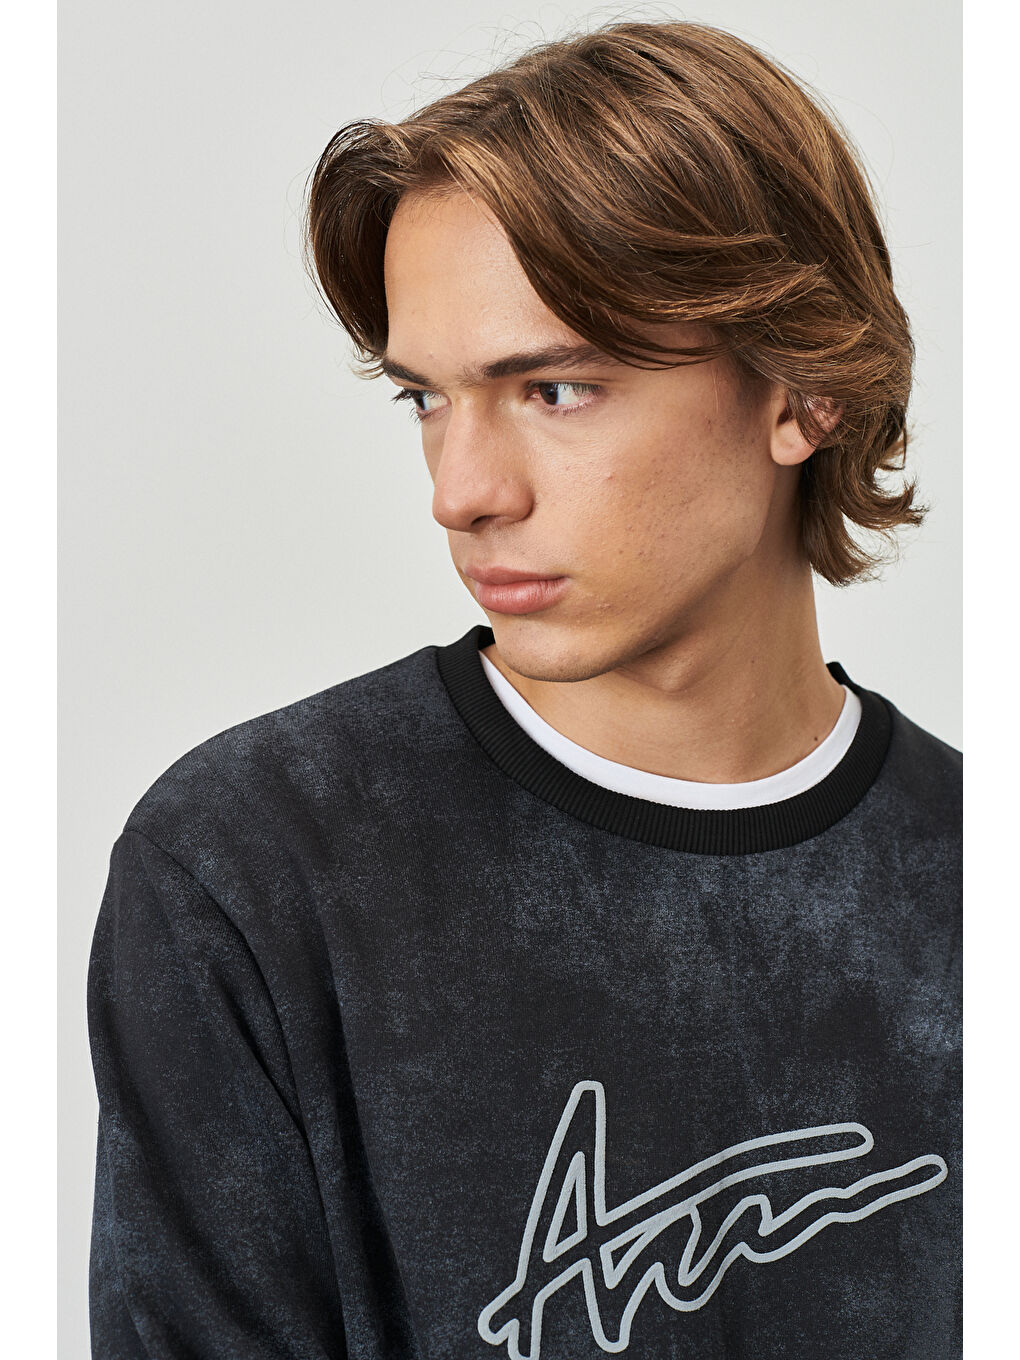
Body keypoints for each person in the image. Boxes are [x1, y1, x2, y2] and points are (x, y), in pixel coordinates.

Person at [86, 19, 961, 1360]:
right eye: (425, 400)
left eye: (553, 389)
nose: (462, 491)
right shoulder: (252, 865)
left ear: (803, 391)